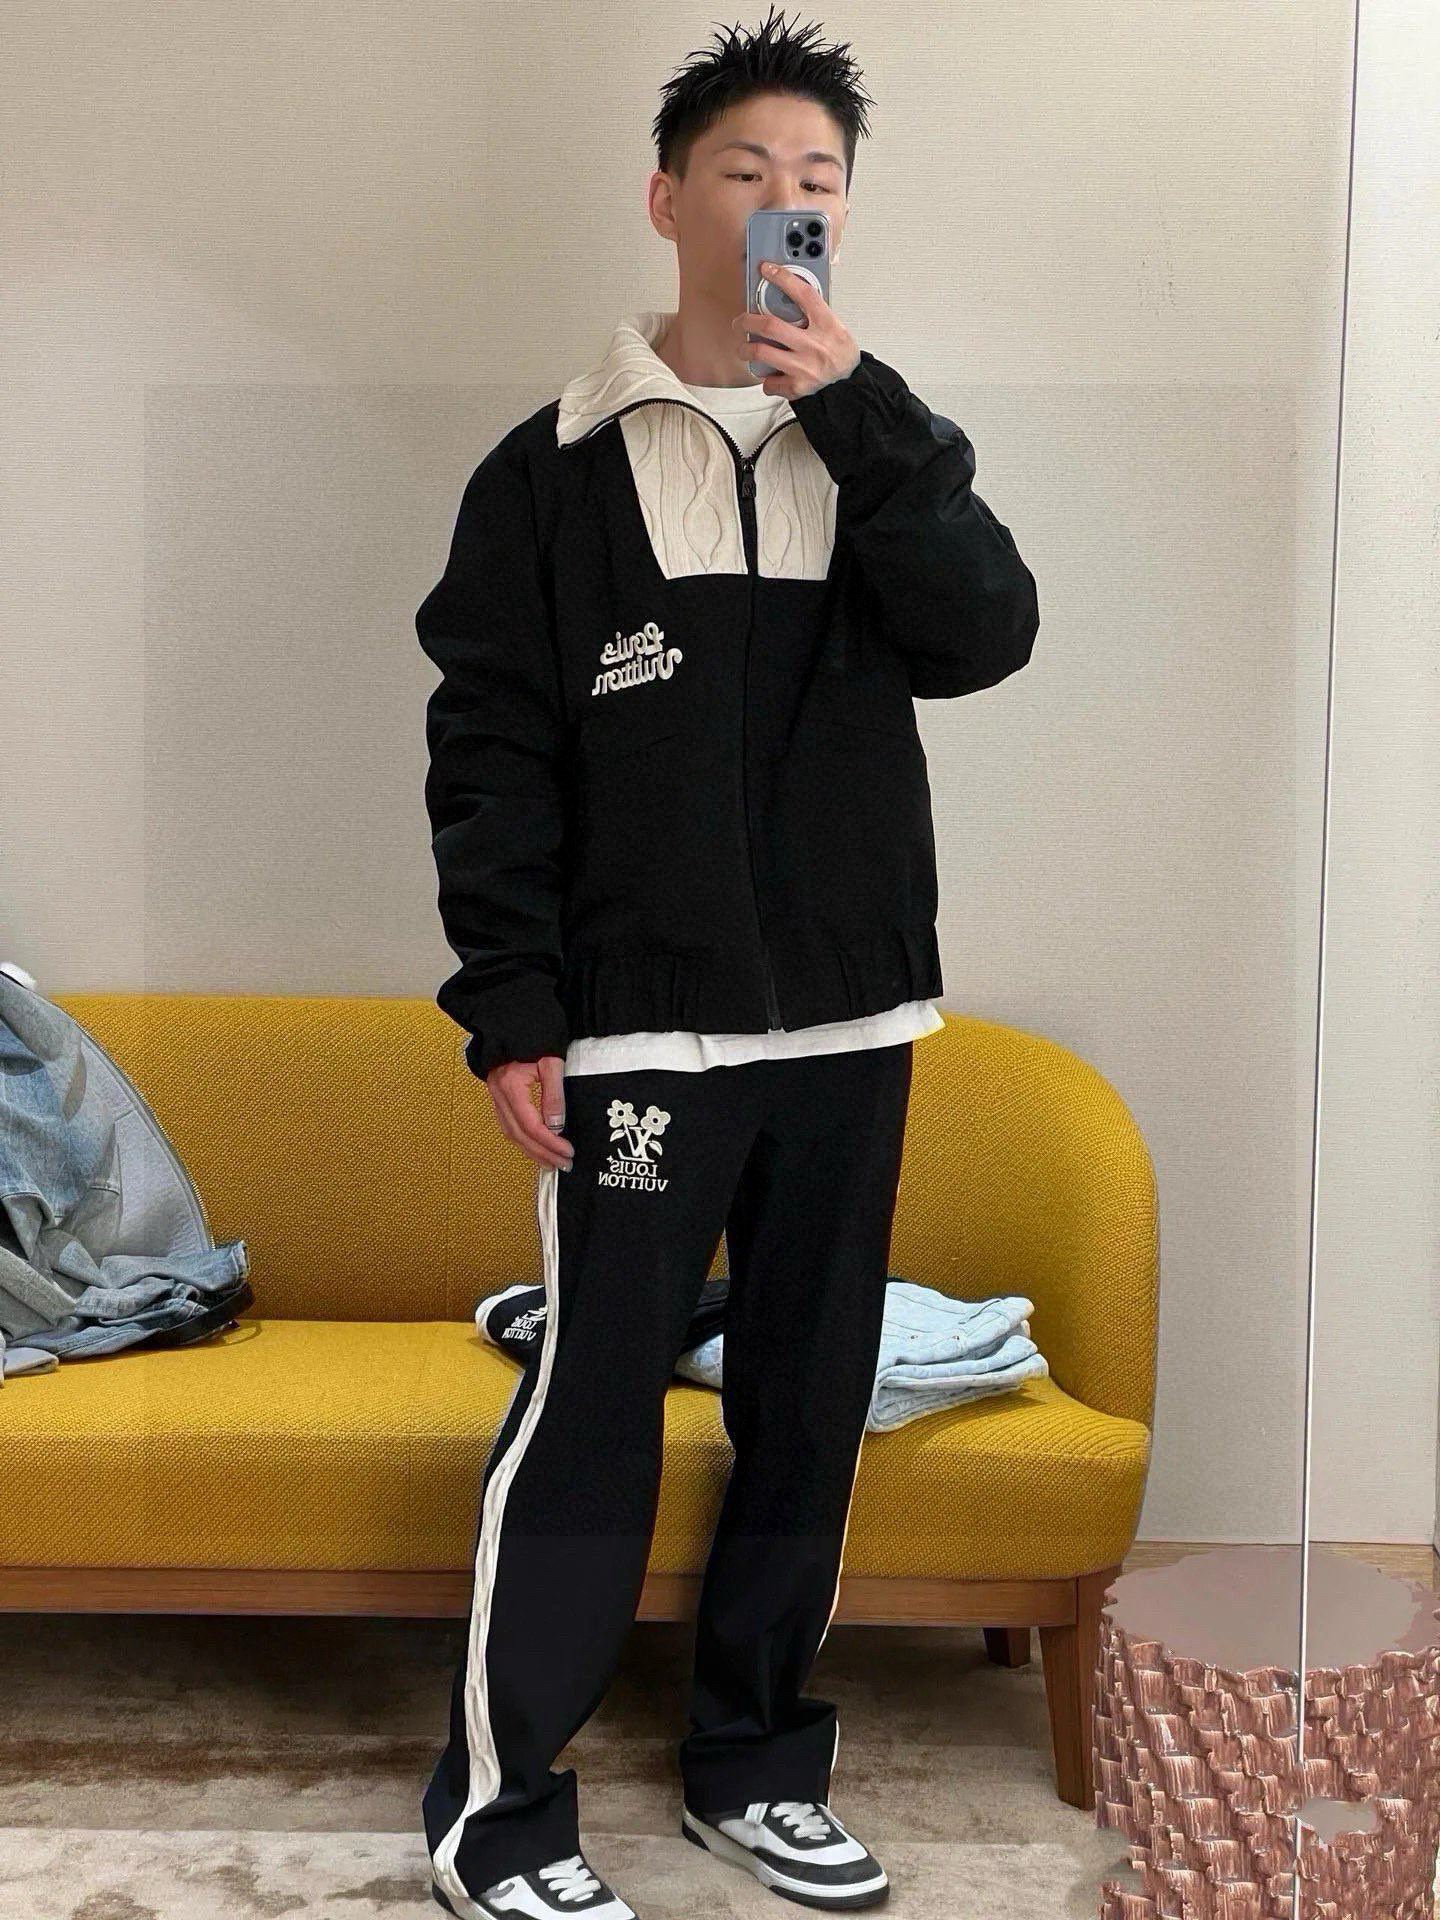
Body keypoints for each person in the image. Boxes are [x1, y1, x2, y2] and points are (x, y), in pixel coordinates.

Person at [417, 11, 1039, 1917]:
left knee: (807, 1393)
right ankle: (499, 1815)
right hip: (639, 1031)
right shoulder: (550, 470)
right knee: (593, 1407)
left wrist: (867, 415)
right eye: (748, 172)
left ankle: (755, 1768)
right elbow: (491, 748)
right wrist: (513, 1005)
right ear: (668, 198)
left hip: (854, 1015)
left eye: (817, 180)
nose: (785, 202)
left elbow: (988, 637)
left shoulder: (882, 443)